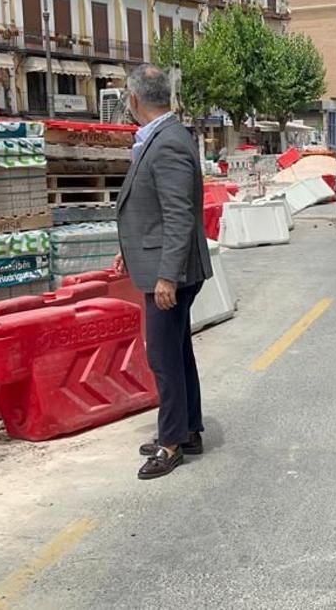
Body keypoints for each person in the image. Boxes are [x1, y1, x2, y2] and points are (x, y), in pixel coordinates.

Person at [115, 64, 213, 480]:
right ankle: (187, 429)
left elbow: (178, 214)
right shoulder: (164, 137)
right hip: (159, 261)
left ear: (135, 100)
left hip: (169, 271)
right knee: (177, 351)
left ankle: (170, 443)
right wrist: (129, 251)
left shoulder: (167, 142)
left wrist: (167, 276)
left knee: (163, 357)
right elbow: (153, 210)